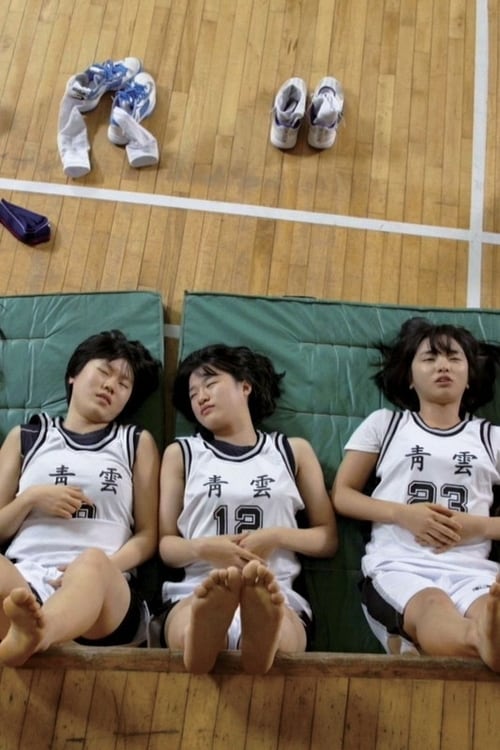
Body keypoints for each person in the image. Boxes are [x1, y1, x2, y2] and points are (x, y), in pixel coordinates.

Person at [331, 316, 500, 670]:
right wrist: (402, 514)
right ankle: (480, 640)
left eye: (454, 358)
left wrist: (479, 526)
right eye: (429, 358)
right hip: (399, 565)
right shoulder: (386, 424)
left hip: (474, 570)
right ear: (409, 376)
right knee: (433, 605)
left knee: (489, 607)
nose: (443, 366)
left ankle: (486, 635)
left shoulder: (492, 437)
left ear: (470, 376)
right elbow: (342, 495)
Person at [158, 344, 337, 674]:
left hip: (276, 589)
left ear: (245, 386)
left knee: (277, 620)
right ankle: (205, 638)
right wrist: (203, 548)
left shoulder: (292, 451)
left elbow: (327, 539)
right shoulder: (181, 453)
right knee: (192, 618)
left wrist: (276, 536)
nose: (201, 397)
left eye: (210, 384)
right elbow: (166, 546)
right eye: (193, 393)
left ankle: (258, 638)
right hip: (197, 587)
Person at [0, 329, 161, 666]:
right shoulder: (27, 437)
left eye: (124, 384)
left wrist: (107, 567)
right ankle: (35, 631)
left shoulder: (135, 442)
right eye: (104, 371)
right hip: (26, 581)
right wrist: (30, 498)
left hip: (104, 592)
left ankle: (39, 634)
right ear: (73, 374)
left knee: (91, 563)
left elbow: (148, 536)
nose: (110, 386)